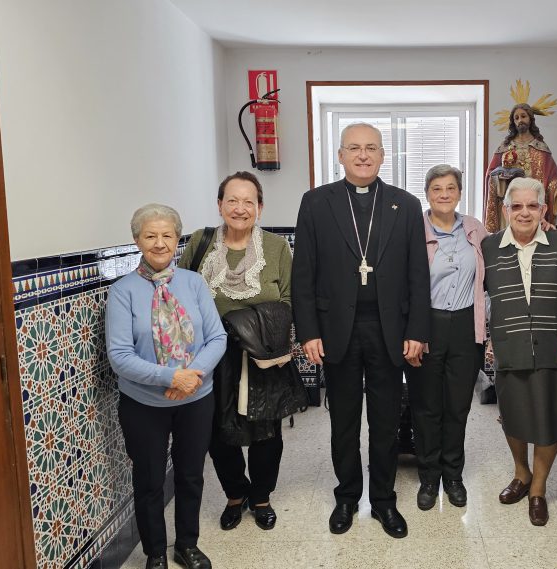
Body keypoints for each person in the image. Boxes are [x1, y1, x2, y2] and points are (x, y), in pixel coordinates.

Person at [292, 122, 431, 539]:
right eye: (354, 148)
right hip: (338, 328)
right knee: (345, 421)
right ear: (340, 155)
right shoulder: (316, 203)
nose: (363, 155)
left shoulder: (404, 205)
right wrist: (309, 332)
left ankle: (384, 502)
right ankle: (348, 497)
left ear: (383, 155)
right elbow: (304, 274)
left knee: (386, 421)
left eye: (371, 148)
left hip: (388, 329)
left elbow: (417, 275)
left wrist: (417, 329)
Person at [106, 204, 227, 569]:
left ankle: (187, 545)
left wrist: (192, 378)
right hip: (143, 404)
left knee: (191, 475)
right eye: (150, 236)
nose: (159, 244)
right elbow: (119, 355)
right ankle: (155, 552)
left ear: (177, 239)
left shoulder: (193, 283)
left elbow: (217, 338)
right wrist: (170, 378)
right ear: (137, 241)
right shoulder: (123, 291)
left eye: (167, 235)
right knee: (149, 481)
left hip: (196, 398)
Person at [178, 171, 297, 533]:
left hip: (261, 354)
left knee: (266, 432)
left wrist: (251, 323)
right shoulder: (200, 242)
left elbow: (290, 299)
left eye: (249, 202)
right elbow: (180, 294)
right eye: (232, 200)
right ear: (220, 205)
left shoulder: (276, 248)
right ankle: (235, 494)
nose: (240, 209)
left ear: (260, 208)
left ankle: (261, 497)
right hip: (210, 357)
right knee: (217, 431)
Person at [482, 177, 557, 526]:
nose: (524, 212)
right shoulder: (488, 247)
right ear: (505, 210)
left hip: (554, 346)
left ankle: (538, 489)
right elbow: (476, 297)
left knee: (549, 420)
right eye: (517, 206)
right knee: (514, 415)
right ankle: (521, 473)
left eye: (532, 206)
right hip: (510, 345)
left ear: (543, 209)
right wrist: (485, 337)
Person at [405, 164, 487, 511]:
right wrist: (411, 333)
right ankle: (428, 477)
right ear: (427, 193)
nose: (443, 194)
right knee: (426, 408)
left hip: (466, 327)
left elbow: (492, 270)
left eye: (450, 188)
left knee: (457, 407)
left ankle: (453, 476)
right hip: (427, 326)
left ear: (459, 192)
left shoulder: (475, 228)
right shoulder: (412, 228)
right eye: (437, 188)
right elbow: (403, 287)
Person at [484, 103, 557, 232]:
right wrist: (500, 178)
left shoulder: (541, 148)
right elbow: (491, 175)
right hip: (511, 202)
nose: (520, 120)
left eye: (523, 116)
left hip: (532, 204)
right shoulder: (504, 147)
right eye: (516, 118)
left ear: (530, 118)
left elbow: (551, 177)